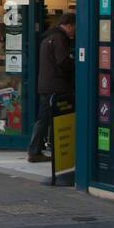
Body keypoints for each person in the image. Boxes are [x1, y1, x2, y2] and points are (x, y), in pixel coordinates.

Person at [28, 11, 76, 163]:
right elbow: (63, 62)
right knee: (53, 119)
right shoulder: (59, 38)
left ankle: (35, 150)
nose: (74, 31)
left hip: (46, 85)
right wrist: (77, 66)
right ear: (68, 25)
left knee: (44, 118)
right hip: (56, 86)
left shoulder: (48, 37)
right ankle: (44, 151)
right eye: (74, 27)